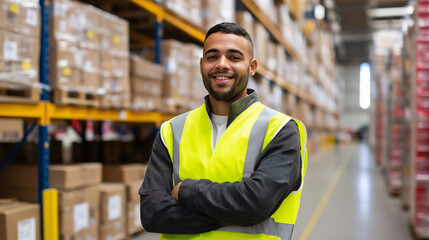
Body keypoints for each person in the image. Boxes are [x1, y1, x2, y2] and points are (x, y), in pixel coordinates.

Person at [139, 22, 308, 240]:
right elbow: (151, 213)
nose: (221, 64)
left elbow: (257, 203)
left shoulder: (280, 130)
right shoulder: (172, 130)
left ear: (252, 66)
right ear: (201, 65)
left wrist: (187, 191)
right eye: (212, 57)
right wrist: (234, 211)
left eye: (234, 57)